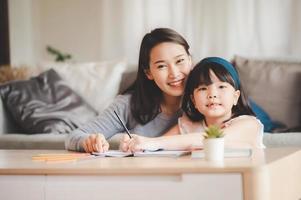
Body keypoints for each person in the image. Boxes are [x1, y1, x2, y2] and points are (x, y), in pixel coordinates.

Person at [65, 28, 193, 152]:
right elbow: (74, 136)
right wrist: (89, 141)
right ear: (148, 72)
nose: (174, 73)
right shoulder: (129, 104)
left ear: (190, 60)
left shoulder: (208, 99)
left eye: (180, 61)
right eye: (161, 66)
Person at [120, 57, 265, 152]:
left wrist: (151, 143)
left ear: (236, 97)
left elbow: (213, 141)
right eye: (203, 88)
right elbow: (160, 147)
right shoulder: (187, 125)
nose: (212, 94)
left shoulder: (249, 124)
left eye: (221, 87)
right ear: (194, 100)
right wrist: (135, 145)